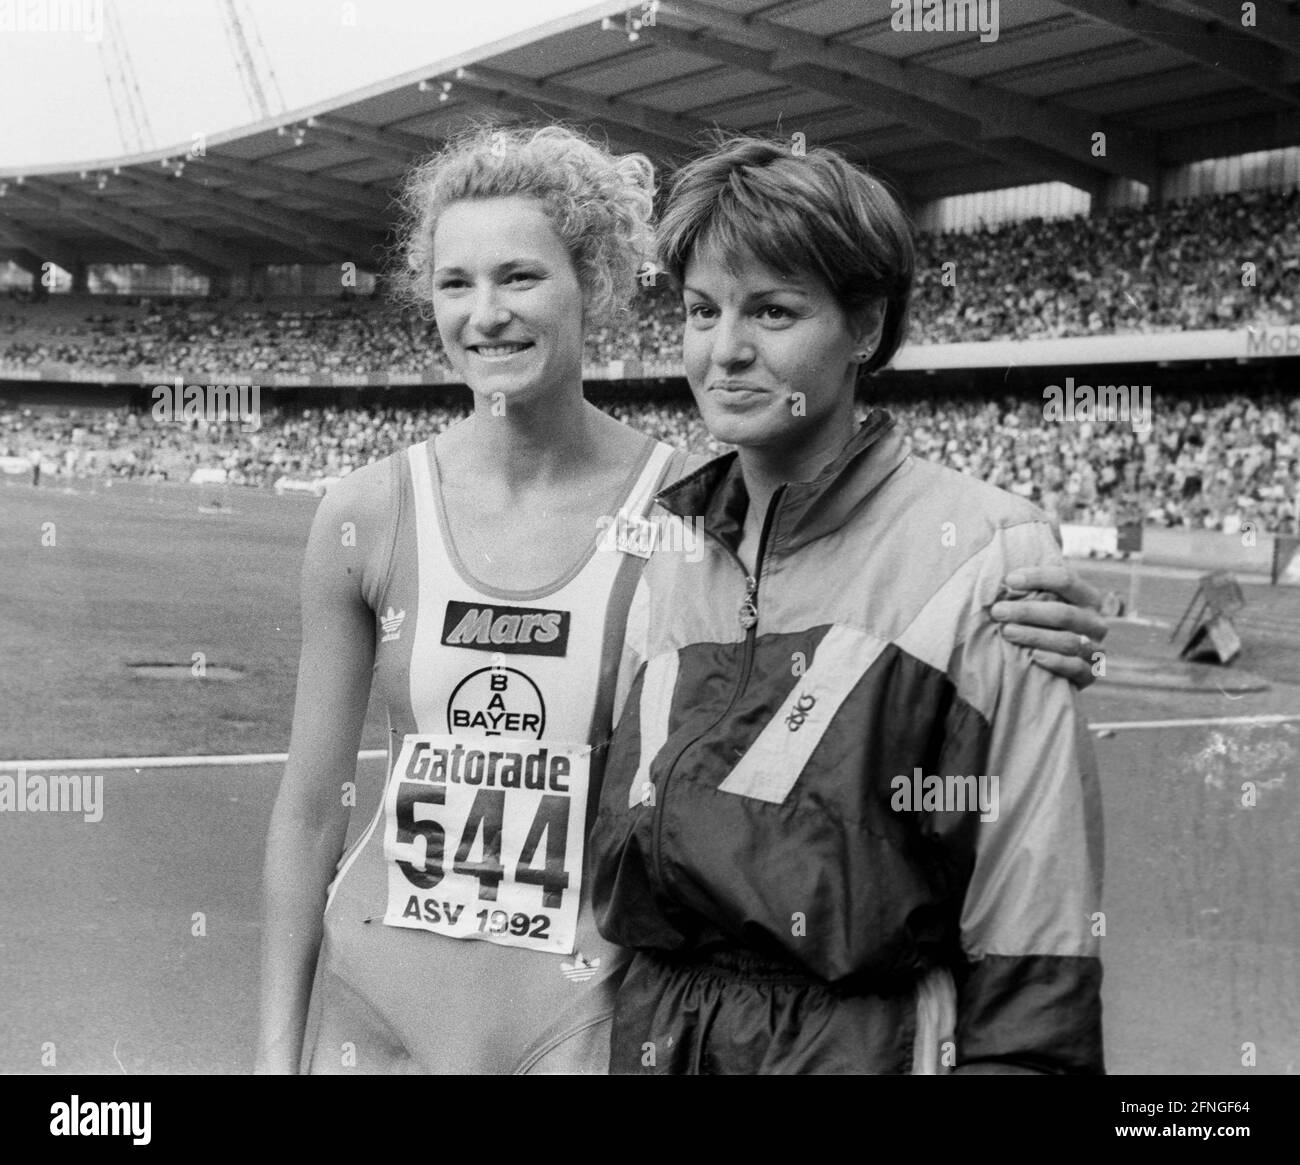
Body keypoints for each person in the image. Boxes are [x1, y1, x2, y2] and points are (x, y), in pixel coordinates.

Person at [255, 124, 1107, 1075]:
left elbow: (850, 608)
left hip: (587, 1025)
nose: (486, 312)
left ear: (598, 287)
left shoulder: (679, 517)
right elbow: (308, 813)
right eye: (455, 283)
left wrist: (1028, 615)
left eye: (521, 278)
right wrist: (271, 1056)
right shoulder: (391, 515)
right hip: (401, 1015)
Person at [590, 136, 1105, 1075]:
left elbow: (1036, 911)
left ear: (864, 328)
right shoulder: (665, 550)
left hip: (862, 1048)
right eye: (702, 310)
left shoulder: (988, 552)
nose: (726, 349)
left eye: (774, 311)